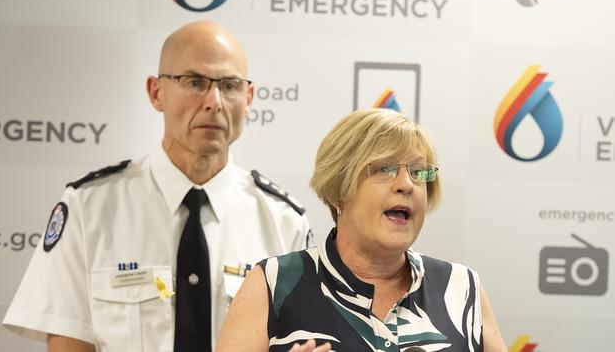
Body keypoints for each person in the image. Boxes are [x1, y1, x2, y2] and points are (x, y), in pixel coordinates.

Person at [2, 21, 312, 352]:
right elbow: (69, 343)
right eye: (194, 82)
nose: (214, 101)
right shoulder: (88, 208)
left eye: (230, 85)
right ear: (156, 92)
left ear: (248, 98)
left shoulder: (284, 222)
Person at [215, 109, 508, 352]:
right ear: (337, 191)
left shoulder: (461, 288)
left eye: (419, 172)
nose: (407, 184)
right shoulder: (273, 284)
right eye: (384, 169)